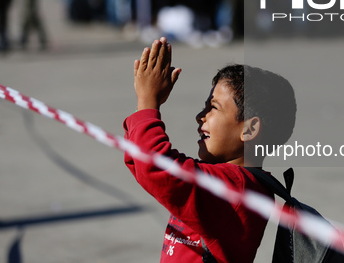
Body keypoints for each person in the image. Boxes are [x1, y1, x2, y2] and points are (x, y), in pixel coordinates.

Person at [123, 37, 297, 262]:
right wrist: (144, 109)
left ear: (249, 129)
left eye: (213, 107)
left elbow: (156, 170)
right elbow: (142, 164)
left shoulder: (236, 189)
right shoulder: (228, 180)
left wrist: (147, 102)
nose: (200, 116)